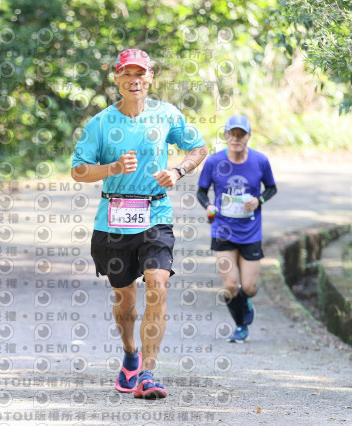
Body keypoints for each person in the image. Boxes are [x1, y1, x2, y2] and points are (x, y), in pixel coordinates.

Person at [71, 48, 207, 399]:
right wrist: (112, 168)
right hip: (113, 220)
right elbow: (78, 171)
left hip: (155, 214)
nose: (134, 80)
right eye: (127, 74)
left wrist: (178, 170)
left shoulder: (166, 114)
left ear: (150, 78)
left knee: (158, 285)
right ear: (116, 79)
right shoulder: (101, 123)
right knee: (125, 302)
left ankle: (148, 373)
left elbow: (199, 148)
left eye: (140, 73)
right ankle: (131, 353)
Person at [197, 114, 276, 342]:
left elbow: (271, 188)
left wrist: (259, 200)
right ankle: (241, 325)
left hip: (251, 231)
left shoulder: (260, 161)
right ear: (225, 136)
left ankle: (245, 300)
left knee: (249, 288)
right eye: (232, 134)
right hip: (223, 230)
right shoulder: (213, 162)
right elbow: (201, 192)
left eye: (241, 134)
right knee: (231, 285)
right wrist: (209, 206)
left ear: (248, 136)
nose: (236, 139)